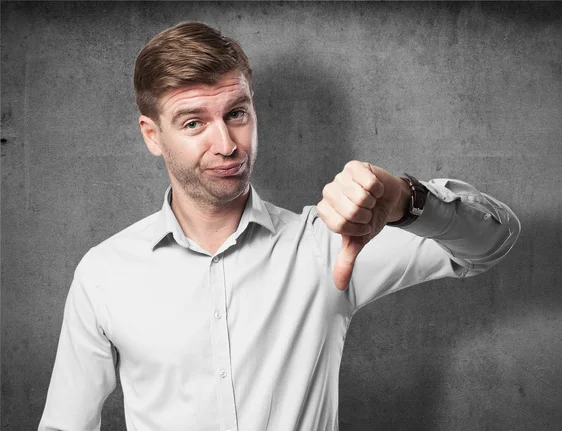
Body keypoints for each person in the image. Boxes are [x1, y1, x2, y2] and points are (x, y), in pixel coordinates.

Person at [39, 22, 520, 431]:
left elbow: (493, 242)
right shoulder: (104, 274)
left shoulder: (328, 245)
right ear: (152, 135)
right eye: (193, 123)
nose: (226, 144)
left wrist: (406, 200)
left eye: (236, 114)